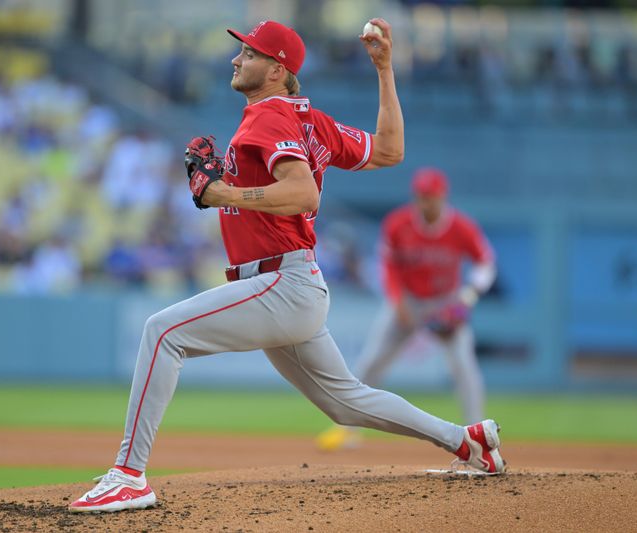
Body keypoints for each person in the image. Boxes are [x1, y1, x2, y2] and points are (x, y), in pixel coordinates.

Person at [69, 19, 505, 514]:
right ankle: (467, 441)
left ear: (277, 69)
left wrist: (222, 193)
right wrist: (385, 69)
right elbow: (390, 150)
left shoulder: (267, 117)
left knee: (163, 333)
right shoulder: (310, 120)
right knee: (346, 402)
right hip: (290, 285)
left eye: (249, 53)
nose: (237, 59)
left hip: (281, 282)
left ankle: (128, 475)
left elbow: (304, 192)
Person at [316, 167, 497, 452]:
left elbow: (485, 262)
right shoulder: (398, 224)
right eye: (422, 197)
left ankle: (479, 435)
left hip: (445, 304)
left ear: (442, 196)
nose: (427, 203)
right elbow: (387, 266)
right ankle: (347, 430)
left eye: (432, 197)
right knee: (372, 361)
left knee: (465, 369)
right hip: (408, 301)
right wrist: (397, 299)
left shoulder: (461, 227)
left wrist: (467, 297)